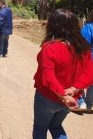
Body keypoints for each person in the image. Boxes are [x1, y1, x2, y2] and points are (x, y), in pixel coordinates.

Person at [33, 9, 93, 139]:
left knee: (40, 127)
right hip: (71, 98)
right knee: (56, 126)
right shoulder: (84, 48)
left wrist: (63, 95)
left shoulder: (50, 48)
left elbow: (48, 77)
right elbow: (89, 73)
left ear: (52, 25)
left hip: (49, 97)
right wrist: (74, 89)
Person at [77, 10, 93, 111]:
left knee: (80, 78)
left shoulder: (88, 28)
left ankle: (80, 101)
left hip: (89, 58)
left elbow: (82, 45)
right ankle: (89, 104)